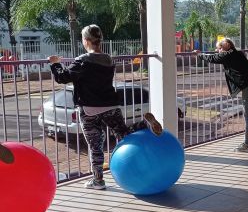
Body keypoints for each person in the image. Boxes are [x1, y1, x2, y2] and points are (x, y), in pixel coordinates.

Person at [49, 25, 163, 190]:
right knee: (122, 133)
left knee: (95, 145)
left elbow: (62, 77)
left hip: (89, 109)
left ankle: (98, 181)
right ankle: (144, 124)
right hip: (111, 104)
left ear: (86, 41)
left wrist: (55, 64)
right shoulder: (109, 59)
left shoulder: (82, 60)